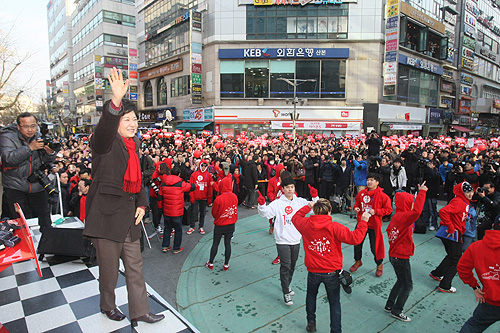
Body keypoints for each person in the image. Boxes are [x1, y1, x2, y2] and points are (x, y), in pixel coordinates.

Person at [82, 68, 164, 327]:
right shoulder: (104, 143)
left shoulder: (135, 146)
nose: (132, 124)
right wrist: (115, 101)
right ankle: (107, 305)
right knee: (108, 271)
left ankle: (140, 311)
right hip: (106, 218)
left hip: (130, 218)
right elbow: (104, 129)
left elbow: (139, 180)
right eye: (126, 119)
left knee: (135, 267)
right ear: (116, 121)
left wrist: (142, 203)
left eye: (135, 120)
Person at [292, 199, 370, 333]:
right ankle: (335, 330)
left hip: (313, 271)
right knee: (334, 303)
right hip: (331, 273)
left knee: (311, 296)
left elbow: (295, 218)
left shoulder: (306, 224)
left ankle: (311, 323)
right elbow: (355, 238)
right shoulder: (335, 227)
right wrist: (363, 222)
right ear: (329, 211)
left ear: (315, 211)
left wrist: (307, 207)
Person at [257, 178, 318, 305]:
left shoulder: (300, 202)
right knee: (285, 265)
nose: (290, 189)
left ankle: (287, 284)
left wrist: (315, 197)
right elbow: (266, 214)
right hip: (282, 240)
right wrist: (262, 205)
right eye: (287, 187)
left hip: (295, 239)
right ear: (283, 189)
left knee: (292, 265)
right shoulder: (277, 203)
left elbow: (314, 209)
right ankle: (286, 292)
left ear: (294, 188)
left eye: (292, 187)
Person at [0, 112, 57, 232]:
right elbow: (9, 159)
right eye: (26, 126)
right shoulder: (7, 136)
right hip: (15, 185)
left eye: (33, 126)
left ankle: (48, 243)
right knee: (17, 222)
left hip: (37, 183)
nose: (30, 130)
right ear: (18, 126)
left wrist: (50, 153)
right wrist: (30, 148)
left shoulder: (39, 135)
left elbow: (45, 160)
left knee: (45, 217)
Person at [385, 182, 427, 322]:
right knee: (408, 285)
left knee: (400, 281)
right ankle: (397, 310)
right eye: (411, 201)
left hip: (394, 254)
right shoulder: (404, 217)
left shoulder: (397, 216)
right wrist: (422, 193)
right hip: (401, 256)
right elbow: (417, 212)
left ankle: (390, 305)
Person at [457, 216, 500, 333]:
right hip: (491, 301)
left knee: (474, 325)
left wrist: (475, 286)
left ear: (493, 226)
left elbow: (462, 268)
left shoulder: (477, 247)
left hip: (490, 301)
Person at [430, 181, 474, 293]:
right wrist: (450, 226)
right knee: (456, 259)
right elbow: (443, 211)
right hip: (453, 233)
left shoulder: (464, 202)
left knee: (452, 256)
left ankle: (437, 273)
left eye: (471, 191)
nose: (470, 194)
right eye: (467, 192)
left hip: (453, 232)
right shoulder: (459, 201)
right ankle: (445, 285)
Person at [350, 173, 392, 277]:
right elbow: (357, 203)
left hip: (374, 225)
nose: (369, 182)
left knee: (375, 247)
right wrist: (356, 208)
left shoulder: (383, 196)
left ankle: (379, 264)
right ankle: (358, 261)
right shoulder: (361, 194)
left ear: (377, 182)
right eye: (368, 180)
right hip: (362, 223)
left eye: (372, 180)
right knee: (357, 243)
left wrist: (376, 211)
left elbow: (388, 210)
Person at [157, 166, 196, 254]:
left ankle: (165, 246)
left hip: (167, 211)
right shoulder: (181, 184)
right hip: (177, 211)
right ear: (179, 174)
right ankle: (176, 248)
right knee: (178, 229)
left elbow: (159, 197)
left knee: (167, 228)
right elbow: (191, 187)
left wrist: (160, 208)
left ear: (170, 173)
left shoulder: (163, 184)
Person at [205, 176, 238, 271]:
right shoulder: (234, 196)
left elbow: (214, 212)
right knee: (228, 244)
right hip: (231, 224)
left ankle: (211, 263)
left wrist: (219, 217)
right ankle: (226, 264)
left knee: (215, 243)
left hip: (220, 225)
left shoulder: (219, 199)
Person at [188, 159, 213, 235]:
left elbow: (210, 188)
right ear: (200, 165)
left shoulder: (208, 175)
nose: (203, 167)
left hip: (204, 197)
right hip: (195, 196)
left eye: (205, 166)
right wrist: (191, 196)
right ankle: (192, 226)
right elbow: (191, 186)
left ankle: (201, 226)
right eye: (202, 165)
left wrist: (209, 198)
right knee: (193, 212)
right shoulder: (194, 174)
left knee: (202, 213)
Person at [422, 160, 440, 231]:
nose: (428, 165)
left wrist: (429, 169)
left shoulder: (436, 173)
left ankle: (434, 224)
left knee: (432, 209)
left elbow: (434, 177)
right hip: (426, 192)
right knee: (425, 209)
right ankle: (425, 222)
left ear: (434, 165)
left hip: (433, 193)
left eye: (430, 164)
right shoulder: (426, 171)